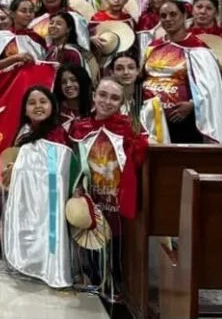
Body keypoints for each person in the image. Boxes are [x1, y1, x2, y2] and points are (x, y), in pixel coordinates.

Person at [68, 77, 148, 293]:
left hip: (118, 200)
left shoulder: (129, 128)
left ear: (121, 103)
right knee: (92, 244)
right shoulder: (79, 128)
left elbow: (142, 160)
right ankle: (94, 280)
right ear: (94, 96)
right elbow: (73, 164)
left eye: (114, 98)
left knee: (118, 248)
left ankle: (117, 286)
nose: (107, 101)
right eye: (102, 95)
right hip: (92, 200)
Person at [3, 86, 81, 288]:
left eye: (43, 101)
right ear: (25, 110)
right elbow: (18, 162)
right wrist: (16, 168)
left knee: (48, 226)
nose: (38, 106)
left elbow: (55, 173)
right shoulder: (23, 133)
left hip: (49, 198)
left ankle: (50, 266)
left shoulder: (58, 134)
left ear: (52, 106)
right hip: (25, 197)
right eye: (32, 103)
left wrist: (22, 168)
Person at [141, 0, 222, 144]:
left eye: (173, 14)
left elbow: (212, 87)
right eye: (163, 16)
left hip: (183, 119)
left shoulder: (198, 49)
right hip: (150, 117)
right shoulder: (153, 46)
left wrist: (192, 104)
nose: (168, 19)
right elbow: (142, 76)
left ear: (184, 16)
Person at [0, 0, 44, 72]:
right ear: (12, 14)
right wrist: (16, 58)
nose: (28, 14)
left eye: (31, 11)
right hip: (10, 81)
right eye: (23, 11)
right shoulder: (3, 36)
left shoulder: (37, 38)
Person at [45, 10, 95, 80]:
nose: (53, 26)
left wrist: (62, 70)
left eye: (59, 24)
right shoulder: (51, 50)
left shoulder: (72, 53)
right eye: (51, 23)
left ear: (68, 29)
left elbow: (79, 78)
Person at [54, 62, 92, 135]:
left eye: (74, 80)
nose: (68, 85)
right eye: (63, 82)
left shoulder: (95, 109)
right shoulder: (55, 110)